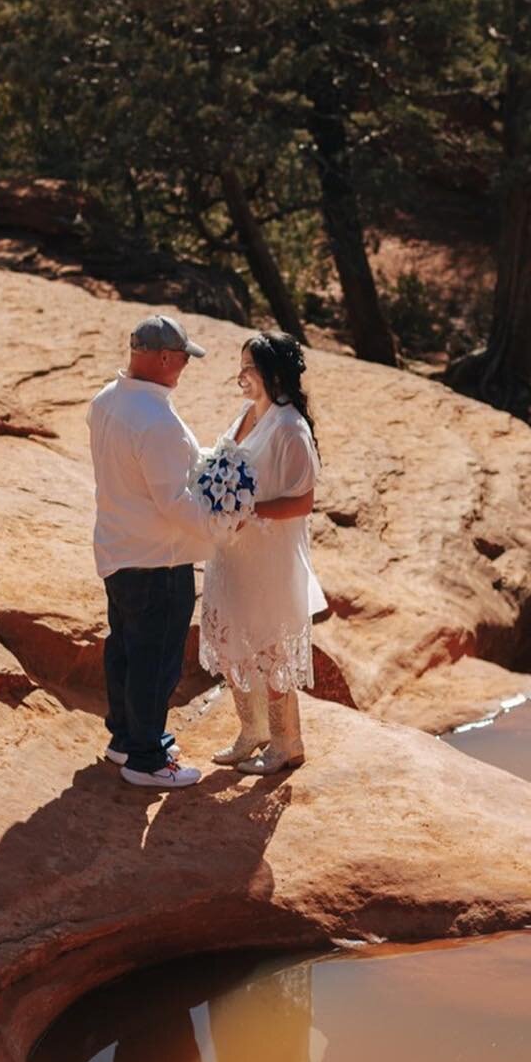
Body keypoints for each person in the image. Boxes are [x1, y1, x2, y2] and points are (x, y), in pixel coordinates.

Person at [87, 315, 218, 790]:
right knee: (155, 658)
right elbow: (174, 502)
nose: (185, 366)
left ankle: (126, 737)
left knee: (124, 647)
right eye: (184, 357)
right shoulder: (156, 420)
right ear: (163, 357)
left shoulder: (106, 400)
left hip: (118, 548)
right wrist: (223, 524)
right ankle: (144, 759)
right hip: (157, 558)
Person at [199, 331, 326, 774]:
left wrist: (248, 508)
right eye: (240, 367)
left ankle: (285, 742)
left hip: (269, 557)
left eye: (248, 368)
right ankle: (251, 732)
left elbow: (303, 502)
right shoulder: (246, 415)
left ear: (273, 374)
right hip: (233, 553)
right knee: (233, 640)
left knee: (271, 647)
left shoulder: (291, 428)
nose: (241, 376)